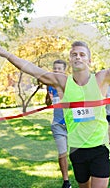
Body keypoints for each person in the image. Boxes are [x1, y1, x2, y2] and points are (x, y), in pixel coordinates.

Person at [0, 28, 110, 188]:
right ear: (70, 60)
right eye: (74, 54)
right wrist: (6, 54)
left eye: (82, 54)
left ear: (89, 60)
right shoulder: (62, 81)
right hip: (77, 149)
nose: (78, 57)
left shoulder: (101, 78)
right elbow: (32, 69)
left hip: (100, 147)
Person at [45, 59, 71, 188]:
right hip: (57, 124)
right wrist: (49, 100)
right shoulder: (50, 85)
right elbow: (48, 103)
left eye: (59, 69)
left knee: (78, 154)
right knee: (62, 153)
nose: (56, 71)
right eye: (54, 68)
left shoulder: (70, 83)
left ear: (64, 71)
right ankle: (66, 181)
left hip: (72, 125)